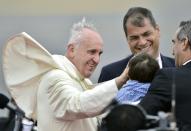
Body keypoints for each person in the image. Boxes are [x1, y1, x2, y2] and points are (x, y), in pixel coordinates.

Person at [98, 7, 174, 83]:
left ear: (157, 30)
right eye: (134, 38)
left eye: (146, 34)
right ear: (127, 39)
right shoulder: (110, 74)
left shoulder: (178, 68)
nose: (142, 42)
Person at [139, 20, 191, 131]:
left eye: (174, 42)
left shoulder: (169, 77)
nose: (172, 51)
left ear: (185, 42)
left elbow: (138, 118)